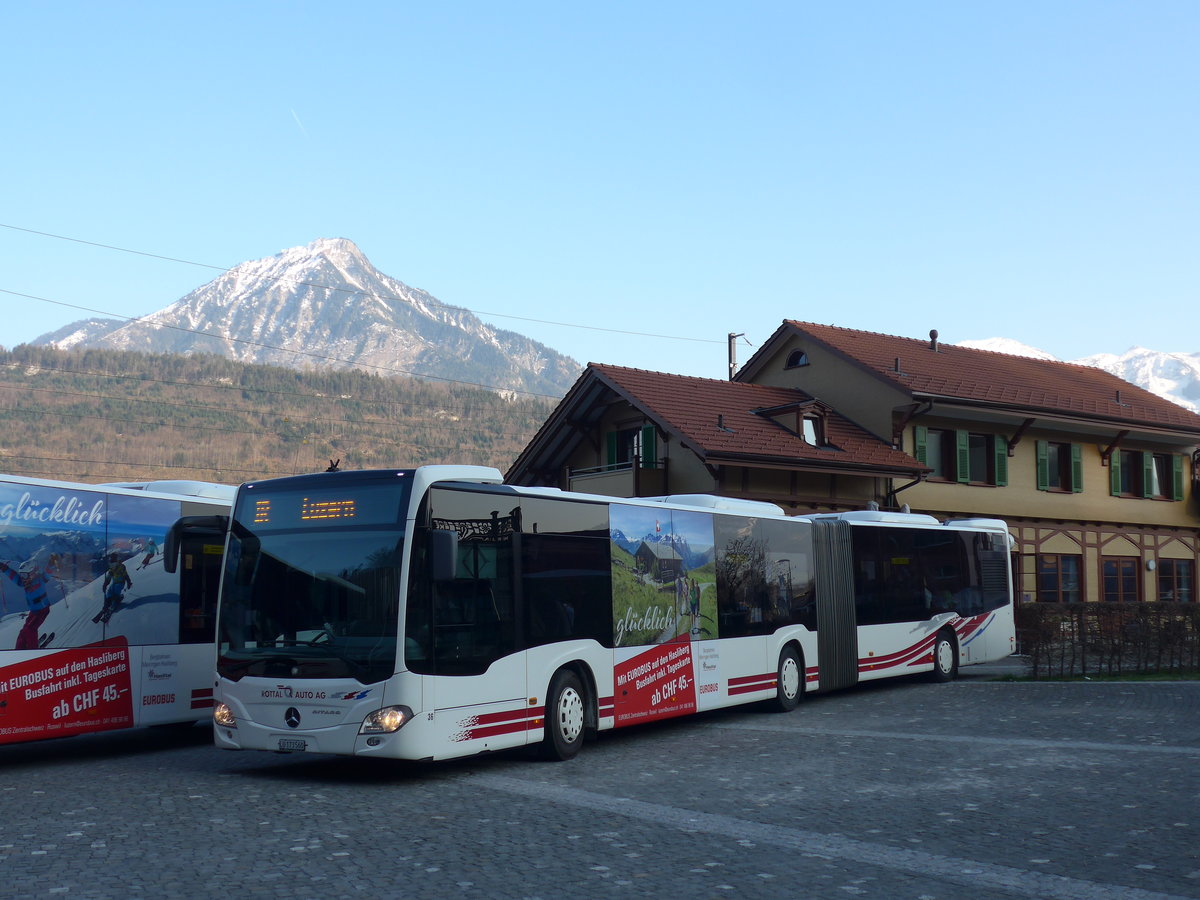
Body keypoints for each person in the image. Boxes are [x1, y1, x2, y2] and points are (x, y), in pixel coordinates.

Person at [0, 560, 56, 650]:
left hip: (42, 610)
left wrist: (52, 564)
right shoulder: (25, 582)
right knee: (23, 632)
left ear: (32, 573)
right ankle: (19, 650)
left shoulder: (40, 580)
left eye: (25, 575)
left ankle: (33, 651)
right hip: (34, 612)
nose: (23, 578)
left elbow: (48, 574)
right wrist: (5, 568)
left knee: (30, 629)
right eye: (22, 575)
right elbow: (14, 577)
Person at [97, 553, 134, 622]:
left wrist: (128, 582)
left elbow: (126, 575)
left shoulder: (121, 567)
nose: (111, 565)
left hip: (120, 583)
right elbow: (108, 578)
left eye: (113, 563)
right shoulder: (112, 569)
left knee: (115, 593)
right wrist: (105, 584)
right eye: (111, 564)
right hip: (114, 583)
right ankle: (108, 602)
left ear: (116, 561)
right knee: (109, 592)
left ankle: (112, 605)